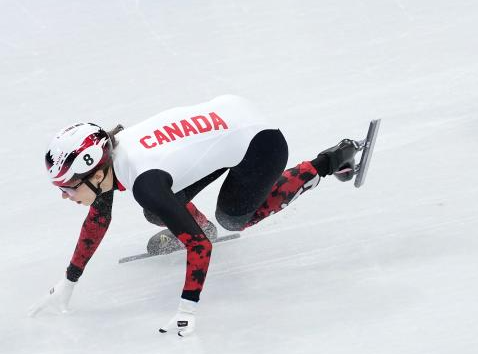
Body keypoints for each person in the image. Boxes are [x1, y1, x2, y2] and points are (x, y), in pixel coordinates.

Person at [29, 94, 364, 336]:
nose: (64, 195)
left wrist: (186, 309)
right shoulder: (113, 160)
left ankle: (330, 161)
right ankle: (195, 220)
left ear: (97, 172)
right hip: (229, 117)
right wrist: (68, 282)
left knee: (234, 218)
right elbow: (98, 220)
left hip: (261, 143)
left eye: (68, 187)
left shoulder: (144, 181)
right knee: (158, 209)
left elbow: (200, 246)